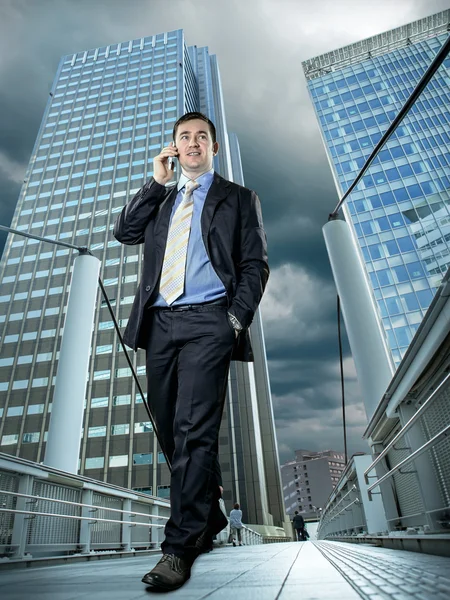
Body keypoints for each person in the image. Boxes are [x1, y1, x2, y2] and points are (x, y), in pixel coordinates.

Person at [113, 112, 269, 592]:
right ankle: (209, 517)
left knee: (194, 428)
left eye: (202, 136)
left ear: (214, 148)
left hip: (209, 321)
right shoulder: (162, 199)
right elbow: (125, 231)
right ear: (175, 148)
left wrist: (233, 321)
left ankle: (179, 549)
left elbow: (255, 264)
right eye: (185, 137)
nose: (194, 142)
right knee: (170, 428)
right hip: (160, 323)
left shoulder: (239, 198)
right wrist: (155, 183)